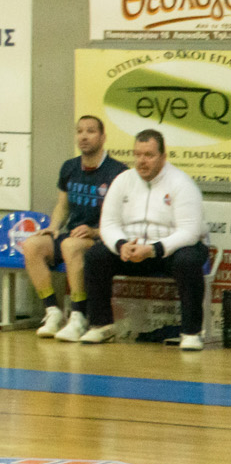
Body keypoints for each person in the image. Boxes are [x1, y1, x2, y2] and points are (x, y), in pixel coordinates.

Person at [77, 129, 208, 349]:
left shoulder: (181, 183)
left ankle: (191, 332)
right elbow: (108, 224)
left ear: (163, 157)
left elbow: (190, 231)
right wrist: (121, 245)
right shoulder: (122, 180)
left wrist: (154, 249)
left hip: (170, 250)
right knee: (96, 256)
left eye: (149, 155)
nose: (142, 161)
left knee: (188, 260)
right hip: (132, 249)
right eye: (137, 154)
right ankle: (101, 325)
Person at [30, 116, 127, 342]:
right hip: (72, 234)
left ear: (103, 137)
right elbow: (62, 205)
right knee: (32, 245)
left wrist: (94, 231)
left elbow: (124, 218)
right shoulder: (69, 167)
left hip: (101, 237)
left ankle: (78, 315)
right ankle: (53, 311)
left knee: (71, 246)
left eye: (90, 131)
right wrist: (53, 227)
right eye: (80, 131)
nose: (84, 136)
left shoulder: (118, 172)